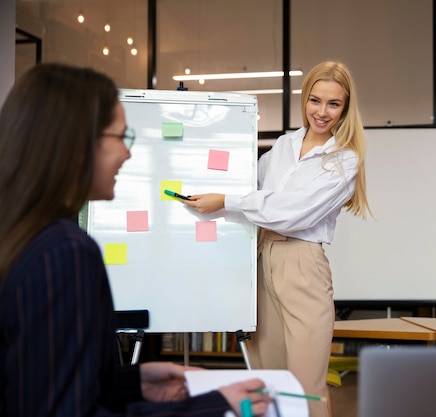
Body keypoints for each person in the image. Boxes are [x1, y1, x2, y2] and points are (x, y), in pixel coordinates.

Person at [0, 63, 270, 417]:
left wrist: (133, 382)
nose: (128, 154)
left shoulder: (22, 235)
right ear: (77, 143)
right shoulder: (64, 252)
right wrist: (211, 406)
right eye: (121, 138)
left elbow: (36, 382)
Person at [183, 61, 370, 417]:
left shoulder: (345, 160)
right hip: (261, 256)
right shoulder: (284, 145)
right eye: (315, 100)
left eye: (334, 104)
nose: (322, 112)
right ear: (305, 99)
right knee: (266, 382)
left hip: (303, 265)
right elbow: (249, 190)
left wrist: (226, 200)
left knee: (304, 389)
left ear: (346, 107)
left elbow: (292, 211)